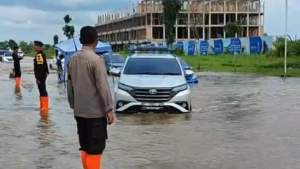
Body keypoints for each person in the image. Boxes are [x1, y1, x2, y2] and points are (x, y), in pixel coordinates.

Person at [67, 26, 115, 169]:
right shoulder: (96, 60)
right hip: (95, 115)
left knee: (85, 147)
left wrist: (74, 105)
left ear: (81, 40)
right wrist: (109, 109)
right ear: (96, 41)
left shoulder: (72, 59)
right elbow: (103, 87)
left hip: (79, 112)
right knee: (95, 149)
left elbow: (69, 86)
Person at [33, 41, 49, 114]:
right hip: (43, 75)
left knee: (42, 90)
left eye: (35, 46)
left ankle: (44, 108)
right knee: (42, 90)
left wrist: (38, 78)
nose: (34, 47)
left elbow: (40, 67)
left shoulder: (39, 55)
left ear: (38, 46)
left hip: (41, 76)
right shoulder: (42, 54)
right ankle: (43, 107)